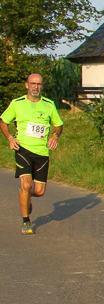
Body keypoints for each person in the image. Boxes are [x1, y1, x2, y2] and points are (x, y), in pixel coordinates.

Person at [1, 73, 64, 234]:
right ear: (27, 85)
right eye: (33, 84)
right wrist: (10, 138)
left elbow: (58, 125)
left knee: (39, 191)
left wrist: (55, 136)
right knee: (26, 185)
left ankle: (26, 196)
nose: (36, 87)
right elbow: (3, 122)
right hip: (23, 149)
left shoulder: (49, 104)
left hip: (42, 152)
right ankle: (26, 221)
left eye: (39, 84)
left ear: (42, 86)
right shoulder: (17, 103)